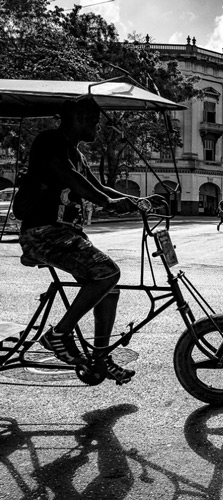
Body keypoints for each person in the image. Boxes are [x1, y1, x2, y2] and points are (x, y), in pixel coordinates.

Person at [14, 96, 141, 385]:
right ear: (78, 118)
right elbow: (68, 177)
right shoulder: (50, 142)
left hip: (67, 235)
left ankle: (99, 357)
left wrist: (137, 201)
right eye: (94, 121)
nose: (97, 127)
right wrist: (109, 202)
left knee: (108, 288)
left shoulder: (78, 154)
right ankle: (59, 334)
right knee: (107, 272)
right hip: (43, 233)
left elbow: (98, 186)